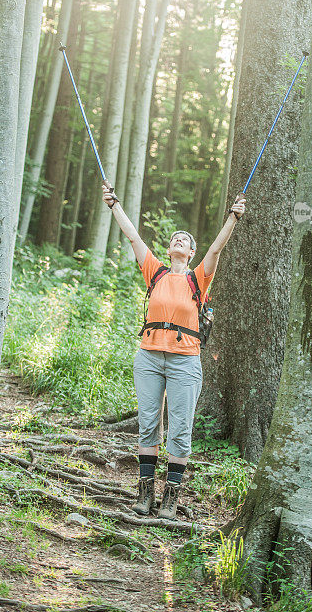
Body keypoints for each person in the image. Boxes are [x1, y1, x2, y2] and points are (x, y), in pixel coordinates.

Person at [101, 182, 246, 520]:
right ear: (168, 250)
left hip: (185, 361)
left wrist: (233, 218)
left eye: (186, 240)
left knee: (180, 428)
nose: (179, 241)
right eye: (175, 239)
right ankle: (145, 494)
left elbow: (216, 249)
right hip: (149, 357)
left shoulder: (198, 279)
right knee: (149, 425)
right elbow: (134, 237)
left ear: (191, 253)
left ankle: (171, 497)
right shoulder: (156, 272)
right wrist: (114, 205)